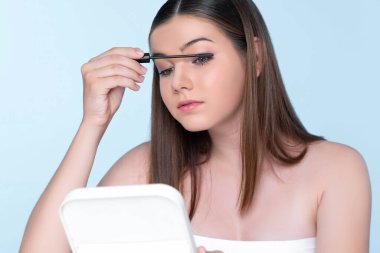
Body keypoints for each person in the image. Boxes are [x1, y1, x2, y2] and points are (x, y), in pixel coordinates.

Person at [20, 0, 371, 252]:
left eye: (200, 58)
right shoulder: (147, 169)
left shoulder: (335, 170)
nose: (178, 83)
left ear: (257, 56)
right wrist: (92, 124)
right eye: (165, 69)